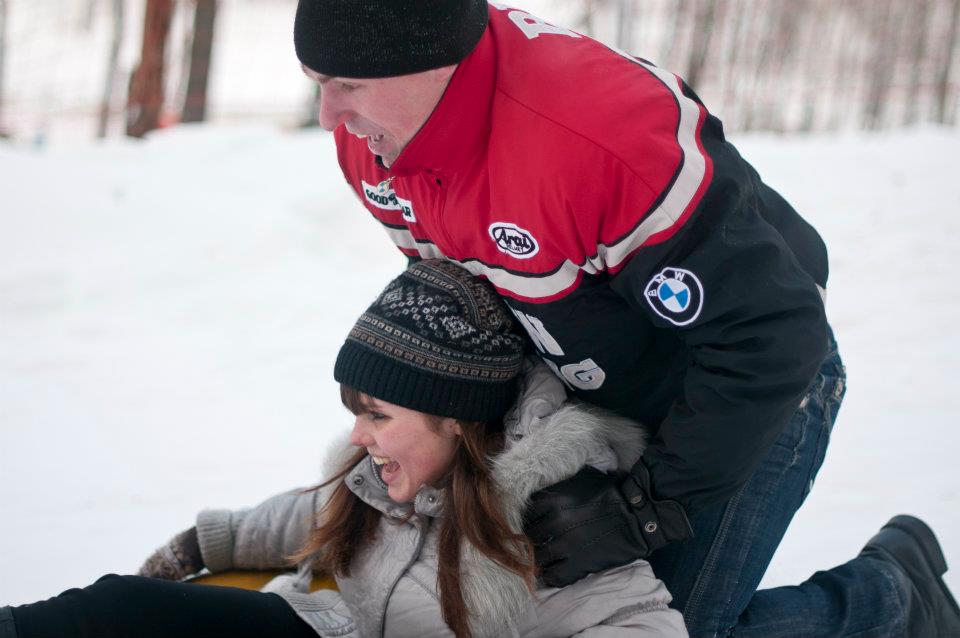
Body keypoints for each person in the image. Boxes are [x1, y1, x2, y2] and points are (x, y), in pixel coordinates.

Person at [290, 1, 960, 637]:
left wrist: (642, 507)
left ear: (439, 63)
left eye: (348, 83)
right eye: (317, 81)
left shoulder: (598, 139)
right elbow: (470, 306)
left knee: (667, 627)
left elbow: (772, 336)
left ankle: (891, 598)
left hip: (742, 384)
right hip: (593, 388)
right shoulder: (373, 139)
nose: (328, 115)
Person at [0, 260, 689, 638]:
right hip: (318, 627)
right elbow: (307, 518)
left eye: (378, 414)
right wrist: (204, 544)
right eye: (354, 413)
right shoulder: (384, 476)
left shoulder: (554, 512)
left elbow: (638, 621)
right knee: (122, 607)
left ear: (455, 418)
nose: (358, 436)